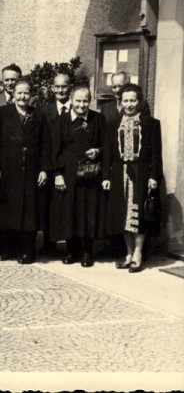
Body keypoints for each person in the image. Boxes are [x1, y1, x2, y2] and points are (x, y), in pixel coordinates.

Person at [102, 83, 163, 273]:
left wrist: (154, 176)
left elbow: (156, 154)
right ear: (120, 102)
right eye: (125, 100)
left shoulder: (151, 123)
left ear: (140, 101)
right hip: (119, 173)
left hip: (141, 172)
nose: (129, 104)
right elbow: (109, 154)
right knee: (123, 216)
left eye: (133, 100)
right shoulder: (113, 123)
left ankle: (138, 253)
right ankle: (128, 254)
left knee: (140, 216)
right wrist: (106, 176)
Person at [0, 79, 51, 264]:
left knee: (29, 211)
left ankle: (27, 249)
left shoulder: (38, 115)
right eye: (19, 93)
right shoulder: (3, 112)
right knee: (9, 211)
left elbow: (46, 144)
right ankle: (8, 247)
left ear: (31, 94)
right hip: (9, 170)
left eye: (26, 93)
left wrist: (44, 169)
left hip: (31, 170)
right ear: (13, 94)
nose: (23, 96)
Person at [49, 85, 104, 267]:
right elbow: (54, 150)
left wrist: (98, 150)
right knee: (69, 212)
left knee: (88, 212)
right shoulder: (61, 121)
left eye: (85, 100)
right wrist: (57, 174)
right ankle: (72, 251)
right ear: (71, 100)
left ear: (90, 100)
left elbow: (107, 146)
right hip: (68, 174)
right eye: (78, 100)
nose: (82, 104)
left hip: (90, 175)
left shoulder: (98, 119)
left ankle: (87, 252)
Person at [39, 73, 73, 255]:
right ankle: (49, 243)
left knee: (69, 206)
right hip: (51, 166)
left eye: (64, 86)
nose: (60, 90)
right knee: (50, 206)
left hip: (70, 167)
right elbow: (43, 142)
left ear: (70, 87)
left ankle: (71, 246)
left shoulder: (78, 107)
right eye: (57, 87)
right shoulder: (45, 111)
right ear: (52, 88)